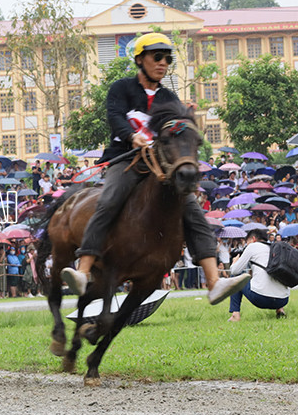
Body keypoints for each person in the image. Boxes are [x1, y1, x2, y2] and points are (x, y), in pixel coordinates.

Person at [60, 33, 249, 305]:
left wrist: (187, 118)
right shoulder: (121, 88)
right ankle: (83, 271)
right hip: (124, 159)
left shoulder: (169, 96)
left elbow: (176, 129)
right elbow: (114, 117)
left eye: (167, 59)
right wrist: (131, 136)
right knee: (110, 199)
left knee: (193, 209)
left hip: (159, 165)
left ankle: (214, 282)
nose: (163, 63)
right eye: (157, 57)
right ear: (140, 59)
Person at [227, 229, 289, 321]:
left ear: (253, 239)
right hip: (282, 300)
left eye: (247, 242)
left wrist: (234, 263)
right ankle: (280, 309)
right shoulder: (275, 248)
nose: (246, 245)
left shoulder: (252, 247)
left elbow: (235, 271)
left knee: (236, 277)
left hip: (261, 299)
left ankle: (235, 315)